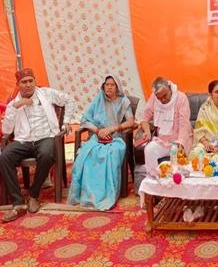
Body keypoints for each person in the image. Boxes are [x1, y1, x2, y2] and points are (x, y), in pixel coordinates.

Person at [0, 68, 75, 222]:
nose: (28, 84)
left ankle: (33, 195)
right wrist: (16, 106)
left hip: (45, 137)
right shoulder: (14, 104)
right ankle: (18, 203)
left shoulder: (46, 93)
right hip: (23, 141)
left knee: (47, 155)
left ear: (35, 81)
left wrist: (66, 121)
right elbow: (6, 130)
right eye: (24, 82)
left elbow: (69, 100)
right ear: (18, 84)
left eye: (30, 81)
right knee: (4, 157)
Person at [67, 75, 134, 210]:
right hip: (97, 137)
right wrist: (98, 131)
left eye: (112, 85)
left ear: (117, 87)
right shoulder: (99, 99)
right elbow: (85, 120)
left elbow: (131, 122)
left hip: (116, 138)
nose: (109, 87)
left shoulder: (123, 101)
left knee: (111, 154)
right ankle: (89, 195)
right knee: (87, 154)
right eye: (106, 84)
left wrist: (112, 129)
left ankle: (105, 196)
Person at [140, 77, 192, 177]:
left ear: (169, 88)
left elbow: (184, 124)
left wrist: (180, 143)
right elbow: (144, 118)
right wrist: (147, 131)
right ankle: (155, 178)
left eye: (164, 95)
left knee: (176, 164)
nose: (162, 100)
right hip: (162, 141)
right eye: (159, 98)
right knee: (149, 149)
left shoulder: (181, 98)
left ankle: (174, 181)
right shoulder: (154, 98)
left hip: (179, 141)